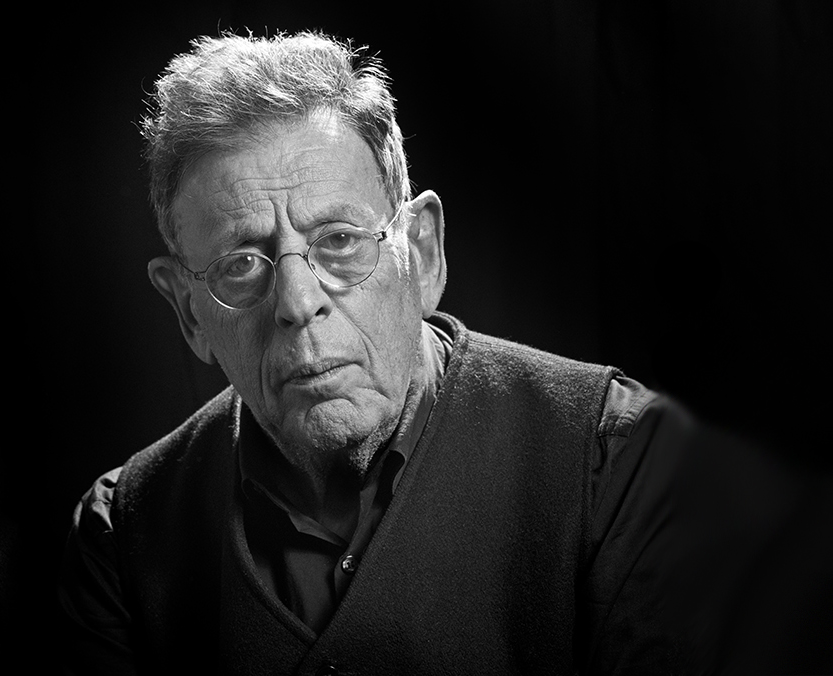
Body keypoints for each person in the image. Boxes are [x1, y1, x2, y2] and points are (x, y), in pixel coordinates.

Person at [58, 30, 698, 674]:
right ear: (189, 310)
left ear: (421, 253)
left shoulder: (618, 463)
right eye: (241, 264)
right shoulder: (123, 537)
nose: (297, 303)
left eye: (339, 240)